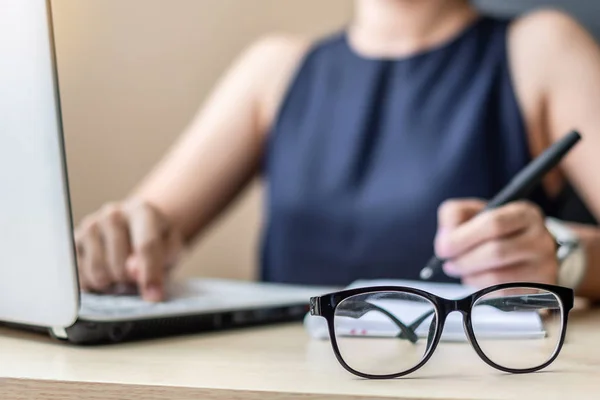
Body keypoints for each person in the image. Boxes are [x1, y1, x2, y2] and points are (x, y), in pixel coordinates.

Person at [74, 0, 600, 303]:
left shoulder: (542, 49)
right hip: (281, 382)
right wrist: (117, 242)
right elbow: (138, 240)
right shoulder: (273, 70)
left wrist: (568, 259)